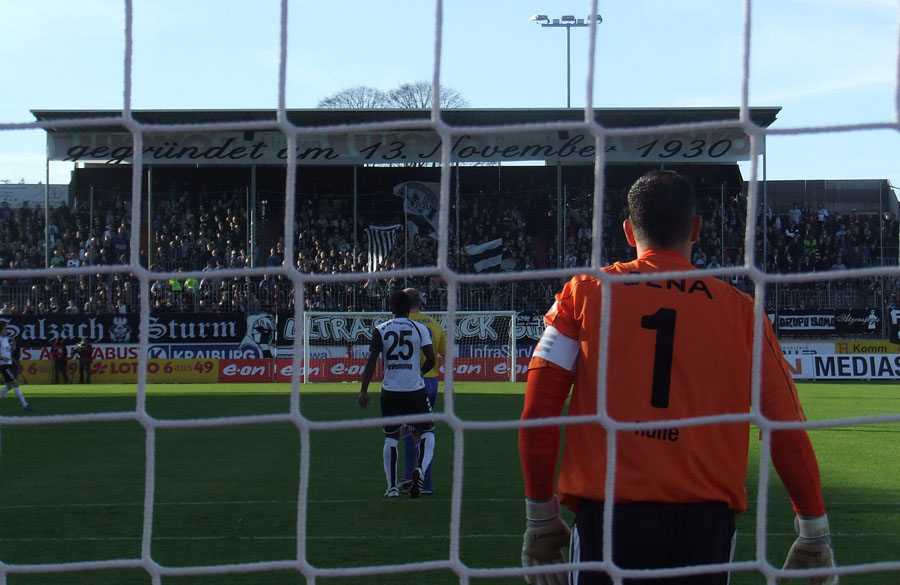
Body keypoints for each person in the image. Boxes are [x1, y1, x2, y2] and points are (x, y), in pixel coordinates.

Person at [519, 171, 837, 585]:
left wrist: (542, 519)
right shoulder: (742, 311)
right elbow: (785, 429)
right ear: (696, 229)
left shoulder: (585, 292)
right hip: (705, 526)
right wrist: (814, 531)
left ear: (630, 233)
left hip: (610, 518)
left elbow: (538, 412)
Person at [358, 291, 436, 499]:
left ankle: (392, 487)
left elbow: (372, 360)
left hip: (391, 390)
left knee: (391, 436)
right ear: (410, 307)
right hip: (415, 389)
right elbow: (431, 359)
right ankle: (419, 468)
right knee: (427, 431)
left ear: (391, 308)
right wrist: (419, 372)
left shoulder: (380, 329)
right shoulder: (420, 329)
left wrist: (364, 390)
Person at [398, 287, 447, 496]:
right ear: (420, 302)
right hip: (432, 382)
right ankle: (422, 481)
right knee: (424, 431)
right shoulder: (434, 324)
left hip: (411, 382)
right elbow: (446, 354)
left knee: (408, 430)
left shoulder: (399, 325)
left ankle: (412, 477)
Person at [0, 322, 35, 411]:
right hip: (4, 365)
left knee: (9, 386)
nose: (6, 330)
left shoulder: (6, 339)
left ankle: (25, 404)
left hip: (9, 364)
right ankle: (24, 404)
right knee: (15, 382)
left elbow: (8, 351)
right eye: (4, 329)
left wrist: (12, 348)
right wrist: (3, 357)